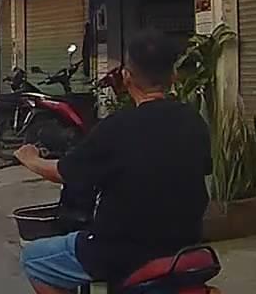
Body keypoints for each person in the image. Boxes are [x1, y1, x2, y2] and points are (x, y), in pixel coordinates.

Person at [14, 29, 211, 294]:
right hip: (184, 245)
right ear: (173, 75)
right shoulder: (193, 121)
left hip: (121, 250)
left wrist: (30, 159)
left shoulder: (116, 127)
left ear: (127, 77)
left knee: (33, 259)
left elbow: (62, 172)